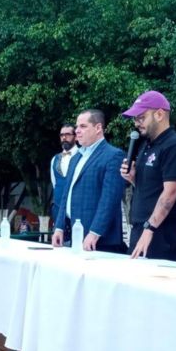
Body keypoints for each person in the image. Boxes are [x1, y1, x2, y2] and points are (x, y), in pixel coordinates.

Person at [120, 91, 176, 261]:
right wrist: (133, 178)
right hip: (141, 229)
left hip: (163, 234)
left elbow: (171, 193)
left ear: (159, 114)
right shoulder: (147, 145)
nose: (137, 123)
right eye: (135, 119)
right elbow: (152, 189)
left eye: (141, 117)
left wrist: (149, 228)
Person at [52, 109, 126, 254]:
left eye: (83, 126)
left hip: (100, 241)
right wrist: (59, 227)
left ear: (98, 128)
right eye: (77, 126)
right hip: (76, 235)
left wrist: (95, 232)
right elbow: (66, 195)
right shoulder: (76, 158)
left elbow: (109, 200)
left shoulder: (113, 156)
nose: (77, 131)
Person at [50, 123, 77, 220]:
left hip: (76, 209)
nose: (64, 137)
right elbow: (55, 183)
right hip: (58, 209)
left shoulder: (83, 156)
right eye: (61, 135)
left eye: (68, 134)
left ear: (76, 137)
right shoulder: (55, 159)